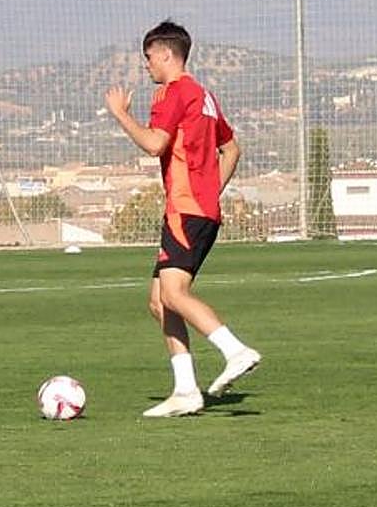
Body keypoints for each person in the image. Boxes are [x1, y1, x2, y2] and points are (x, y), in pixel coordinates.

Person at [103, 21, 260, 417]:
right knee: (159, 302)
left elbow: (156, 143)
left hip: (185, 210)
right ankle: (186, 391)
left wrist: (121, 114)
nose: (146, 65)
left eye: (149, 57)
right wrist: (210, 192)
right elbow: (233, 150)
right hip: (197, 208)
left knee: (173, 294)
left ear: (167, 54)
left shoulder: (172, 93)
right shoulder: (204, 96)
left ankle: (235, 350)